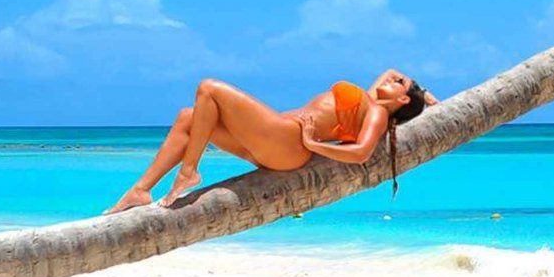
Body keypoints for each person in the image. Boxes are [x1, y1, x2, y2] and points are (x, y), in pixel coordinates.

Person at [104, 69, 438, 213]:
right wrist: (425, 96)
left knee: (209, 87)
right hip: (276, 140)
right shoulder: (369, 97)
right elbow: (392, 70)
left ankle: (189, 171)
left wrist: (312, 143)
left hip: (290, 142)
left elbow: (362, 153)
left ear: (402, 101)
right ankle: (141, 190)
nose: (392, 77)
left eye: (400, 83)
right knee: (188, 117)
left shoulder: (377, 113)